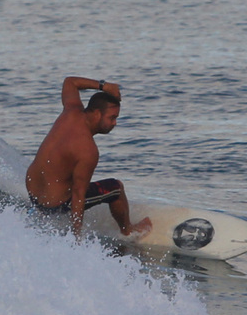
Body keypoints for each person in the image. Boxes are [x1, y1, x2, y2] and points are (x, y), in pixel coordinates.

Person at [25, 77, 152, 239]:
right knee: (116, 188)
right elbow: (79, 195)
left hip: (32, 192)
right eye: (112, 117)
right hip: (52, 205)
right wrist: (77, 237)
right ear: (97, 114)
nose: (115, 123)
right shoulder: (88, 151)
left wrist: (104, 86)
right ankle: (128, 230)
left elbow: (70, 82)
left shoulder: (70, 111)